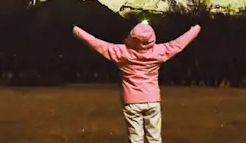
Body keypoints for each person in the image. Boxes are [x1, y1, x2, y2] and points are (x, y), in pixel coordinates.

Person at [72, 21, 201, 143]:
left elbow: (96, 43)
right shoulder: (159, 51)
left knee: (135, 139)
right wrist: (196, 28)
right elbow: (179, 44)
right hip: (152, 100)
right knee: (155, 138)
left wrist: (76, 30)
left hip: (131, 101)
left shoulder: (121, 52)